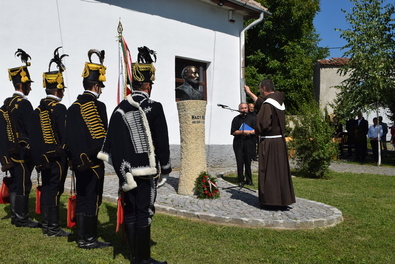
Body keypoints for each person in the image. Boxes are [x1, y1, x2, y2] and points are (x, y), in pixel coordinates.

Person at [98, 46, 170, 264]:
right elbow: (162, 142)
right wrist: (165, 167)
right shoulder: (154, 107)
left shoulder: (120, 108)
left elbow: (112, 144)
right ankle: (143, 258)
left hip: (126, 171)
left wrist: (123, 170)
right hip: (146, 171)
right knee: (144, 212)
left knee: (130, 210)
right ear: (148, 84)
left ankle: (133, 254)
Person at [64, 49, 111, 249]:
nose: (101, 89)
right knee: (92, 199)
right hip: (93, 163)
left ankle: (83, 237)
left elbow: (68, 139)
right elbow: (103, 138)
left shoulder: (73, 107)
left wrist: (75, 159)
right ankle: (88, 239)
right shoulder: (98, 107)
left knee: (83, 198)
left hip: (78, 164)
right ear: (95, 85)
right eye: (100, 85)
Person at [28, 47, 70, 237]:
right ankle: (52, 228)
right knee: (53, 190)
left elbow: (34, 136)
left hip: (42, 159)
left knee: (47, 189)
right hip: (55, 158)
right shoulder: (59, 108)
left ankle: (47, 225)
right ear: (58, 89)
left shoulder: (38, 109)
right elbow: (65, 134)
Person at [0, 49, 41, 228]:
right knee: (23, 182)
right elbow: (31, 129)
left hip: (9, 152)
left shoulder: (6, 104)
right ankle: (21, 218)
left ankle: (17, 216)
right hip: (22, 151)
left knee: (17, 182)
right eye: (28, 85)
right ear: (22, 85)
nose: (30, 87)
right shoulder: (24, 104)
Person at [244, 80, 295, 210]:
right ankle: (282, 199)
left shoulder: (268, 104)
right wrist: (249, 93)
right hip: (279, 141)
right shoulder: (278, 101)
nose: (260, 90)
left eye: (260, 88)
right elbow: (262, 103)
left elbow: (263, 123)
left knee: (269, 171)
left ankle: (271, 201)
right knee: (280, 171)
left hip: (269, 143)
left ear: (264, 88)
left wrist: (256, 130)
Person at [231, 103, 256, 187]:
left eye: (245, 108)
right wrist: (242, 132)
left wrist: (252, 131)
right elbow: (233, 132)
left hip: (249, 142)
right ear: (239, 109)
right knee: (240, 162)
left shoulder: (252, 118)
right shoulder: (236, 119)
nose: (244, 109)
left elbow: (257, 130)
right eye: (242, 108)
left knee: (248, 162)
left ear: (248, 109)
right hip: (238, 142)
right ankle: (241, 180)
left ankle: (249, 180)